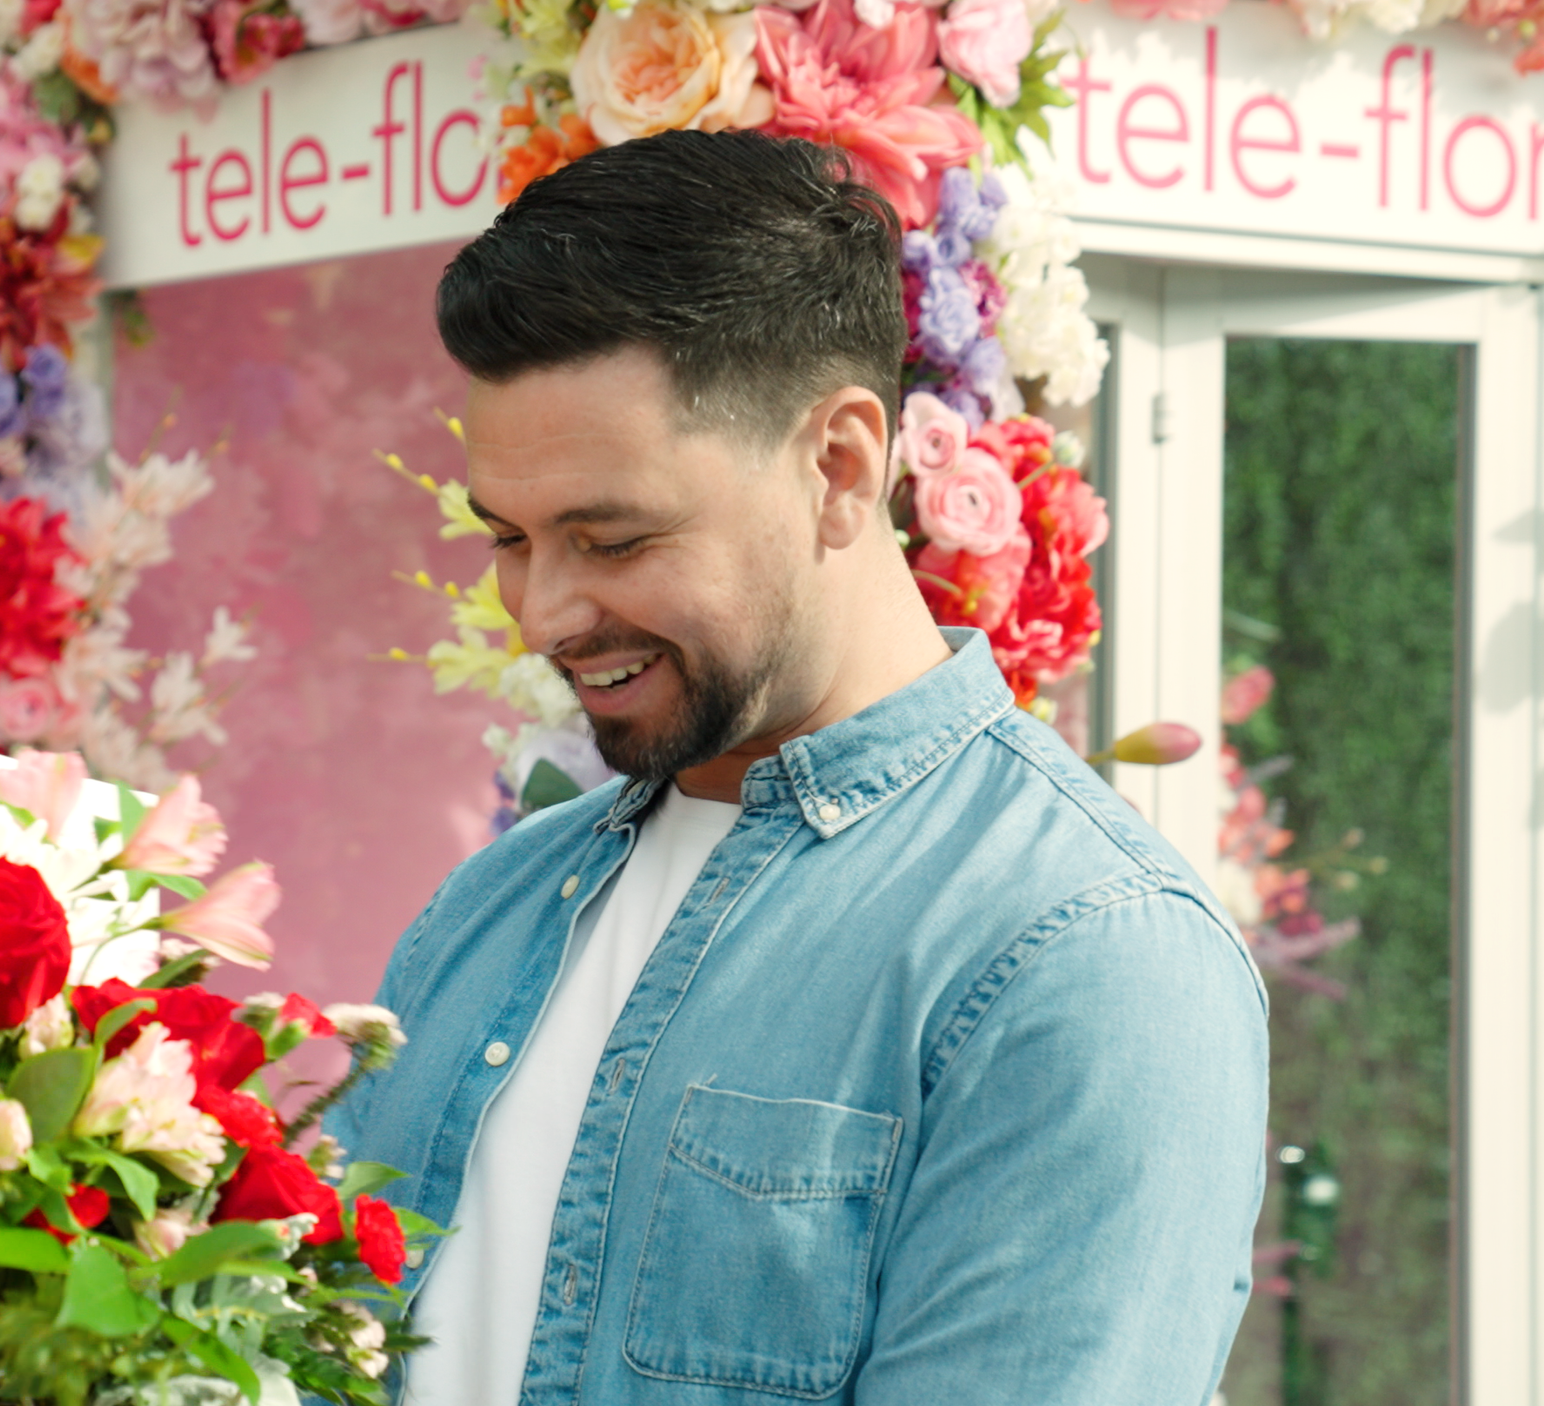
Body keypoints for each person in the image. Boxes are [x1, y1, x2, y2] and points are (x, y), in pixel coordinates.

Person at [324, 131, 1270, 1405]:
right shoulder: (486, 909)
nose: (543, 613)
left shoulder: (1087, 956)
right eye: (510, 538)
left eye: (613, 538)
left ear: (838, 466)